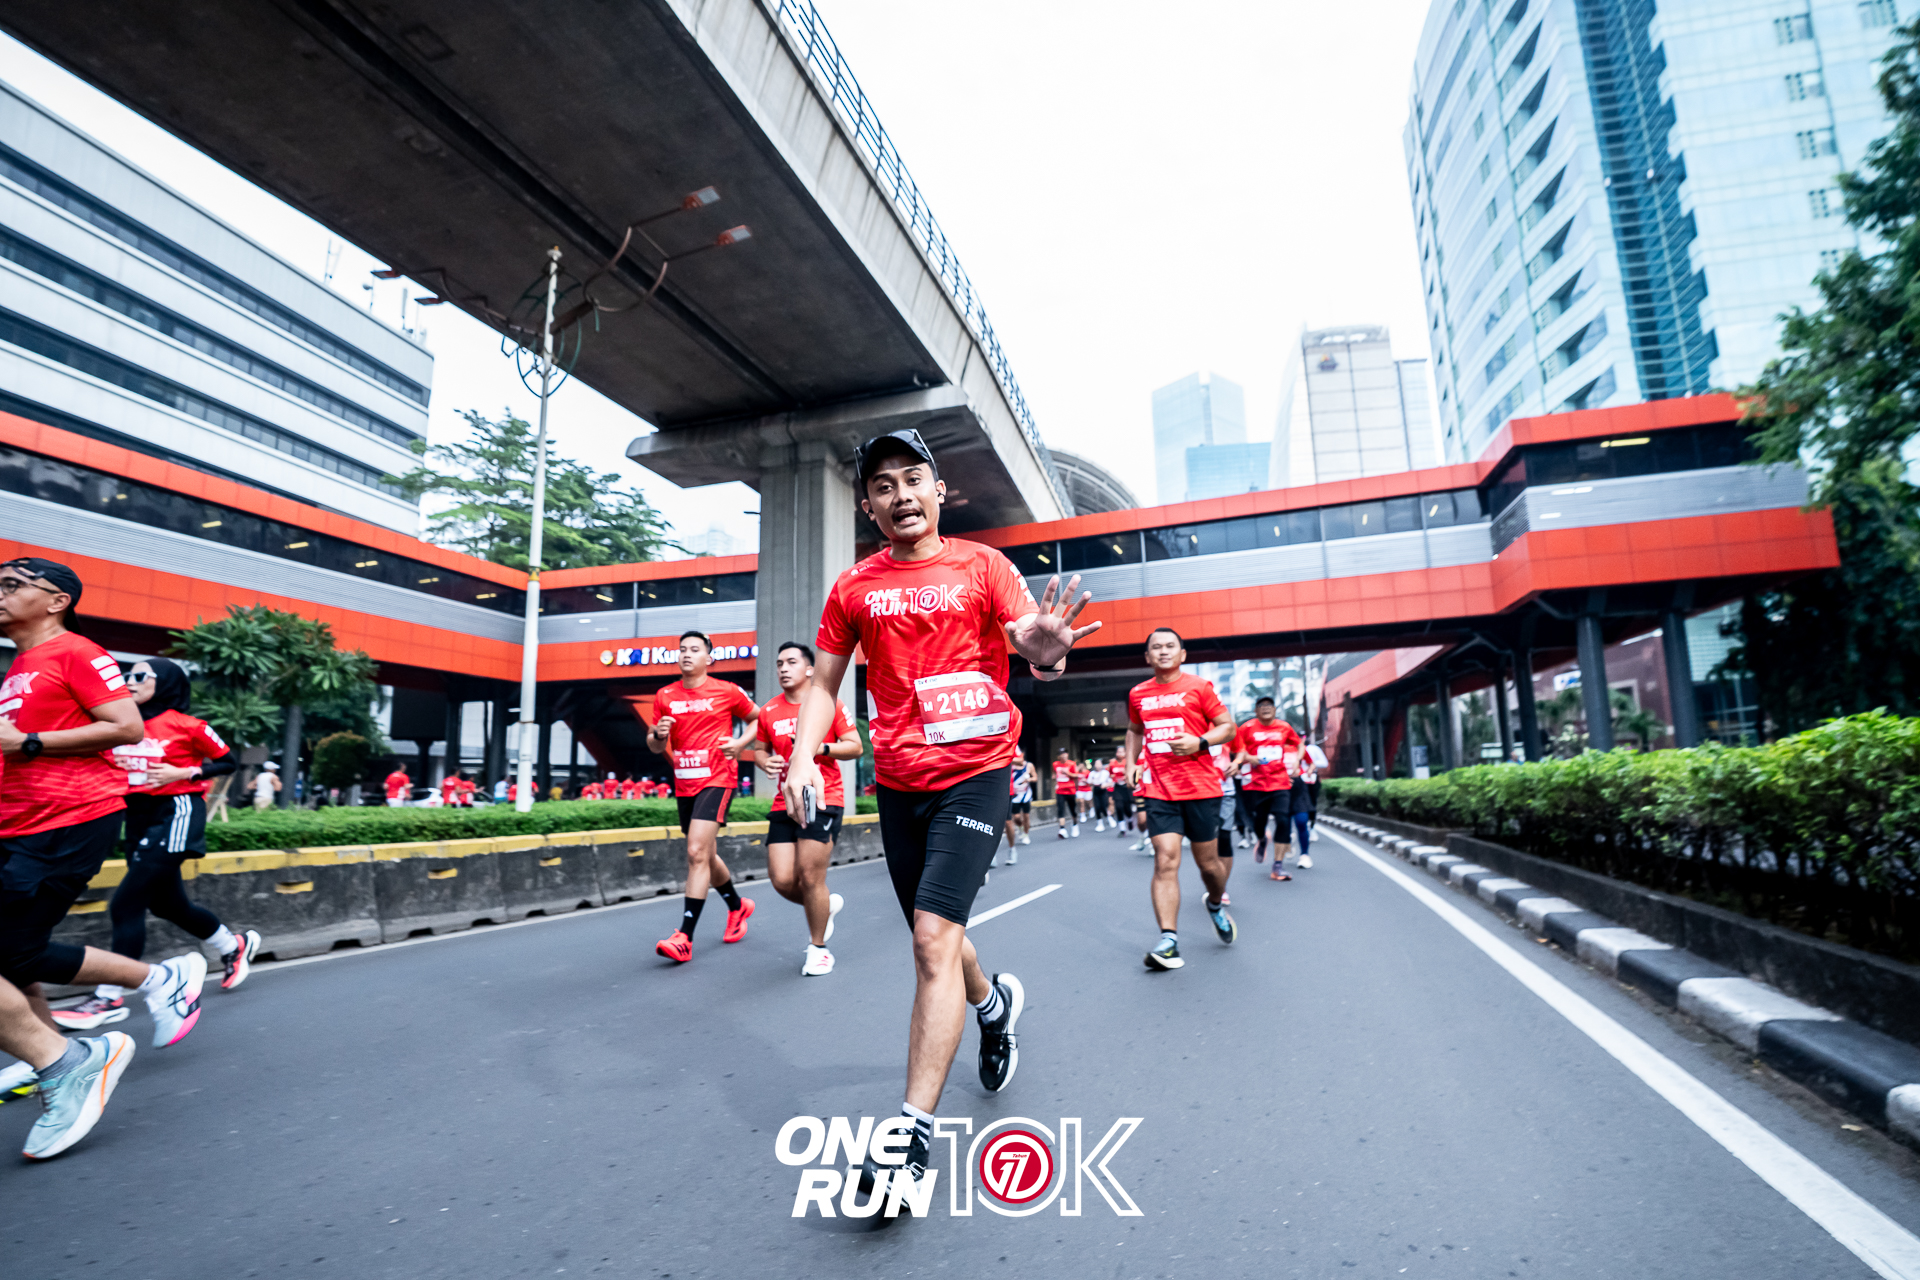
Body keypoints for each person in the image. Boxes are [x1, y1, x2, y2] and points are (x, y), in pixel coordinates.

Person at [781, 427, 1097, 1198]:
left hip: (976, 774)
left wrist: (1045, 650)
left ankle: (908, 1139)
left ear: (939, 490)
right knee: (940, 939)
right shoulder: (853, 587)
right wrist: (801, 757)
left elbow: (1030, 638)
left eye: (913, 478)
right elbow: (824, 685)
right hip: (900, 783)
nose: (901, 494)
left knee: (930, 940)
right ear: (869, 506)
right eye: (883, 485)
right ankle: (993, 1006)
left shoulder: (983, 566)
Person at [0, 558, 205, 1159]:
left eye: (10, 585)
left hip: (64, 821)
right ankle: (49, 1052)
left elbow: (126, 725)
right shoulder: (21, 665)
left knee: (15, 949)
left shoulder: (76, 652)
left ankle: (68, 1059)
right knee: (16, 954)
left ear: (56, 599)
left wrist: (27, 742)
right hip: (19, 824)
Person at [58, 657, 261, 1032]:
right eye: (127, 675)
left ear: (166, 682)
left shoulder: (188, 725)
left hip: (177, 811)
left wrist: (183, 772)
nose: (129, 681)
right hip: (136, 815)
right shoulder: (120, 725)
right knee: (168, 904)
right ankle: (233, 946)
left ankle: (108, 996)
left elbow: (227, 762)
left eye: (140, 676)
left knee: (126, 903)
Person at [1125, 626, 1238, 971]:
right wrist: (1131, 762)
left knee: (1209, 866)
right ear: (1147, 656)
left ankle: (1215, 903)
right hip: (1159, 789)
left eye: (1170, 646)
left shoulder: (1199, 687)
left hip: (1201, 788)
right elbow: (1134, 730)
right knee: (1165, 860)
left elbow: (1228, 727)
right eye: (1156, 647)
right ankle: (1169, 941)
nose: (1163, 651)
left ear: (1182, 654)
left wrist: (1199, 742)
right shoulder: (1138, 693)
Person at [647, 630, 759, 964]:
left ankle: (684, 937)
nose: (686, 654)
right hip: (685, 783)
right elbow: (654, 746)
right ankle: (737, 906)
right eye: (682, 649)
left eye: (694, 649)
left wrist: (740, 744)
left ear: (708, 658)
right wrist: (659, 735)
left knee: (695, 851)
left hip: (718, 779)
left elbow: (759, 719)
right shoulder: (665, 695)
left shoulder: (727, 691)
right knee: (706, 855)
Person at [752, 641, 861, 977]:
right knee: (782, 879)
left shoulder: (828, 705)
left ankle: (818, 949)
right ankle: (824, 907)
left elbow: (855, 746)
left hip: (822, 798)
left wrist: (819, 748)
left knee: (811, 876)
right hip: (784, 800)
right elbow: (759, 749)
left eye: (791, 662)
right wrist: (764, 761)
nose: (783, 669)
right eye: (779, 663)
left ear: (810, 669)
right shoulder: (769, 710)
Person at [1234, 696, 1302, 868]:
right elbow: (1237, 749)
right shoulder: (1247, 728)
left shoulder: (1284, 727)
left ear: (1274, 709)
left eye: (1269, 705)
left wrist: (1297, 760)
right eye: (1261, 705)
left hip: (1280, 781)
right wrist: (1249, 758)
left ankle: (1278, 864)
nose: (1265, 708)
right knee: (1259, 821)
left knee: (1283, 820)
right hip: (1256, 783)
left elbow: (1300, 745)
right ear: (1256, 711)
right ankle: (1262, 839)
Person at [998, 750, 1033, 866]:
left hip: (1013, 792)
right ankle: (990, 855)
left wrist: (1000, 757)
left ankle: (1012, 848)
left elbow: (1020, 761)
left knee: (1009, 822)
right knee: (1014, 818)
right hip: (993, 788)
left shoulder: (1027, 764)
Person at [1051, 748, 1078, 839]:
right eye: (1060, 754)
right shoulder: (1055, 764)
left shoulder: (1072, 764)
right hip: (1060, 790)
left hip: (1070, 790)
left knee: (1072, 810)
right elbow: (1054, 773)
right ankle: (1062, 829)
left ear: (1067, 754)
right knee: (1060, 809)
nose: (1063, 755)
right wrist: (1054, 777)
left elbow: (1076, 775)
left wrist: (1068, 773)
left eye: (1064, 753)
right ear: (1058, 756)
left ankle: (1075, 824)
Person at [1089, 757, 1112, 831]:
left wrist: (1106, 785)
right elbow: (1089, 782)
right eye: (1096, 764)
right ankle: (1100, 823)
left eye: (1099, 764)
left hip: (1103, 790)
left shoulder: (1105, 773)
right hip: (1096, 790)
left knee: (1104, 806)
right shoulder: (1092, 773)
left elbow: (1111, 782)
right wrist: (1092, 781)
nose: (1098, 765)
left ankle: (1109, 817)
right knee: (1097, 807)